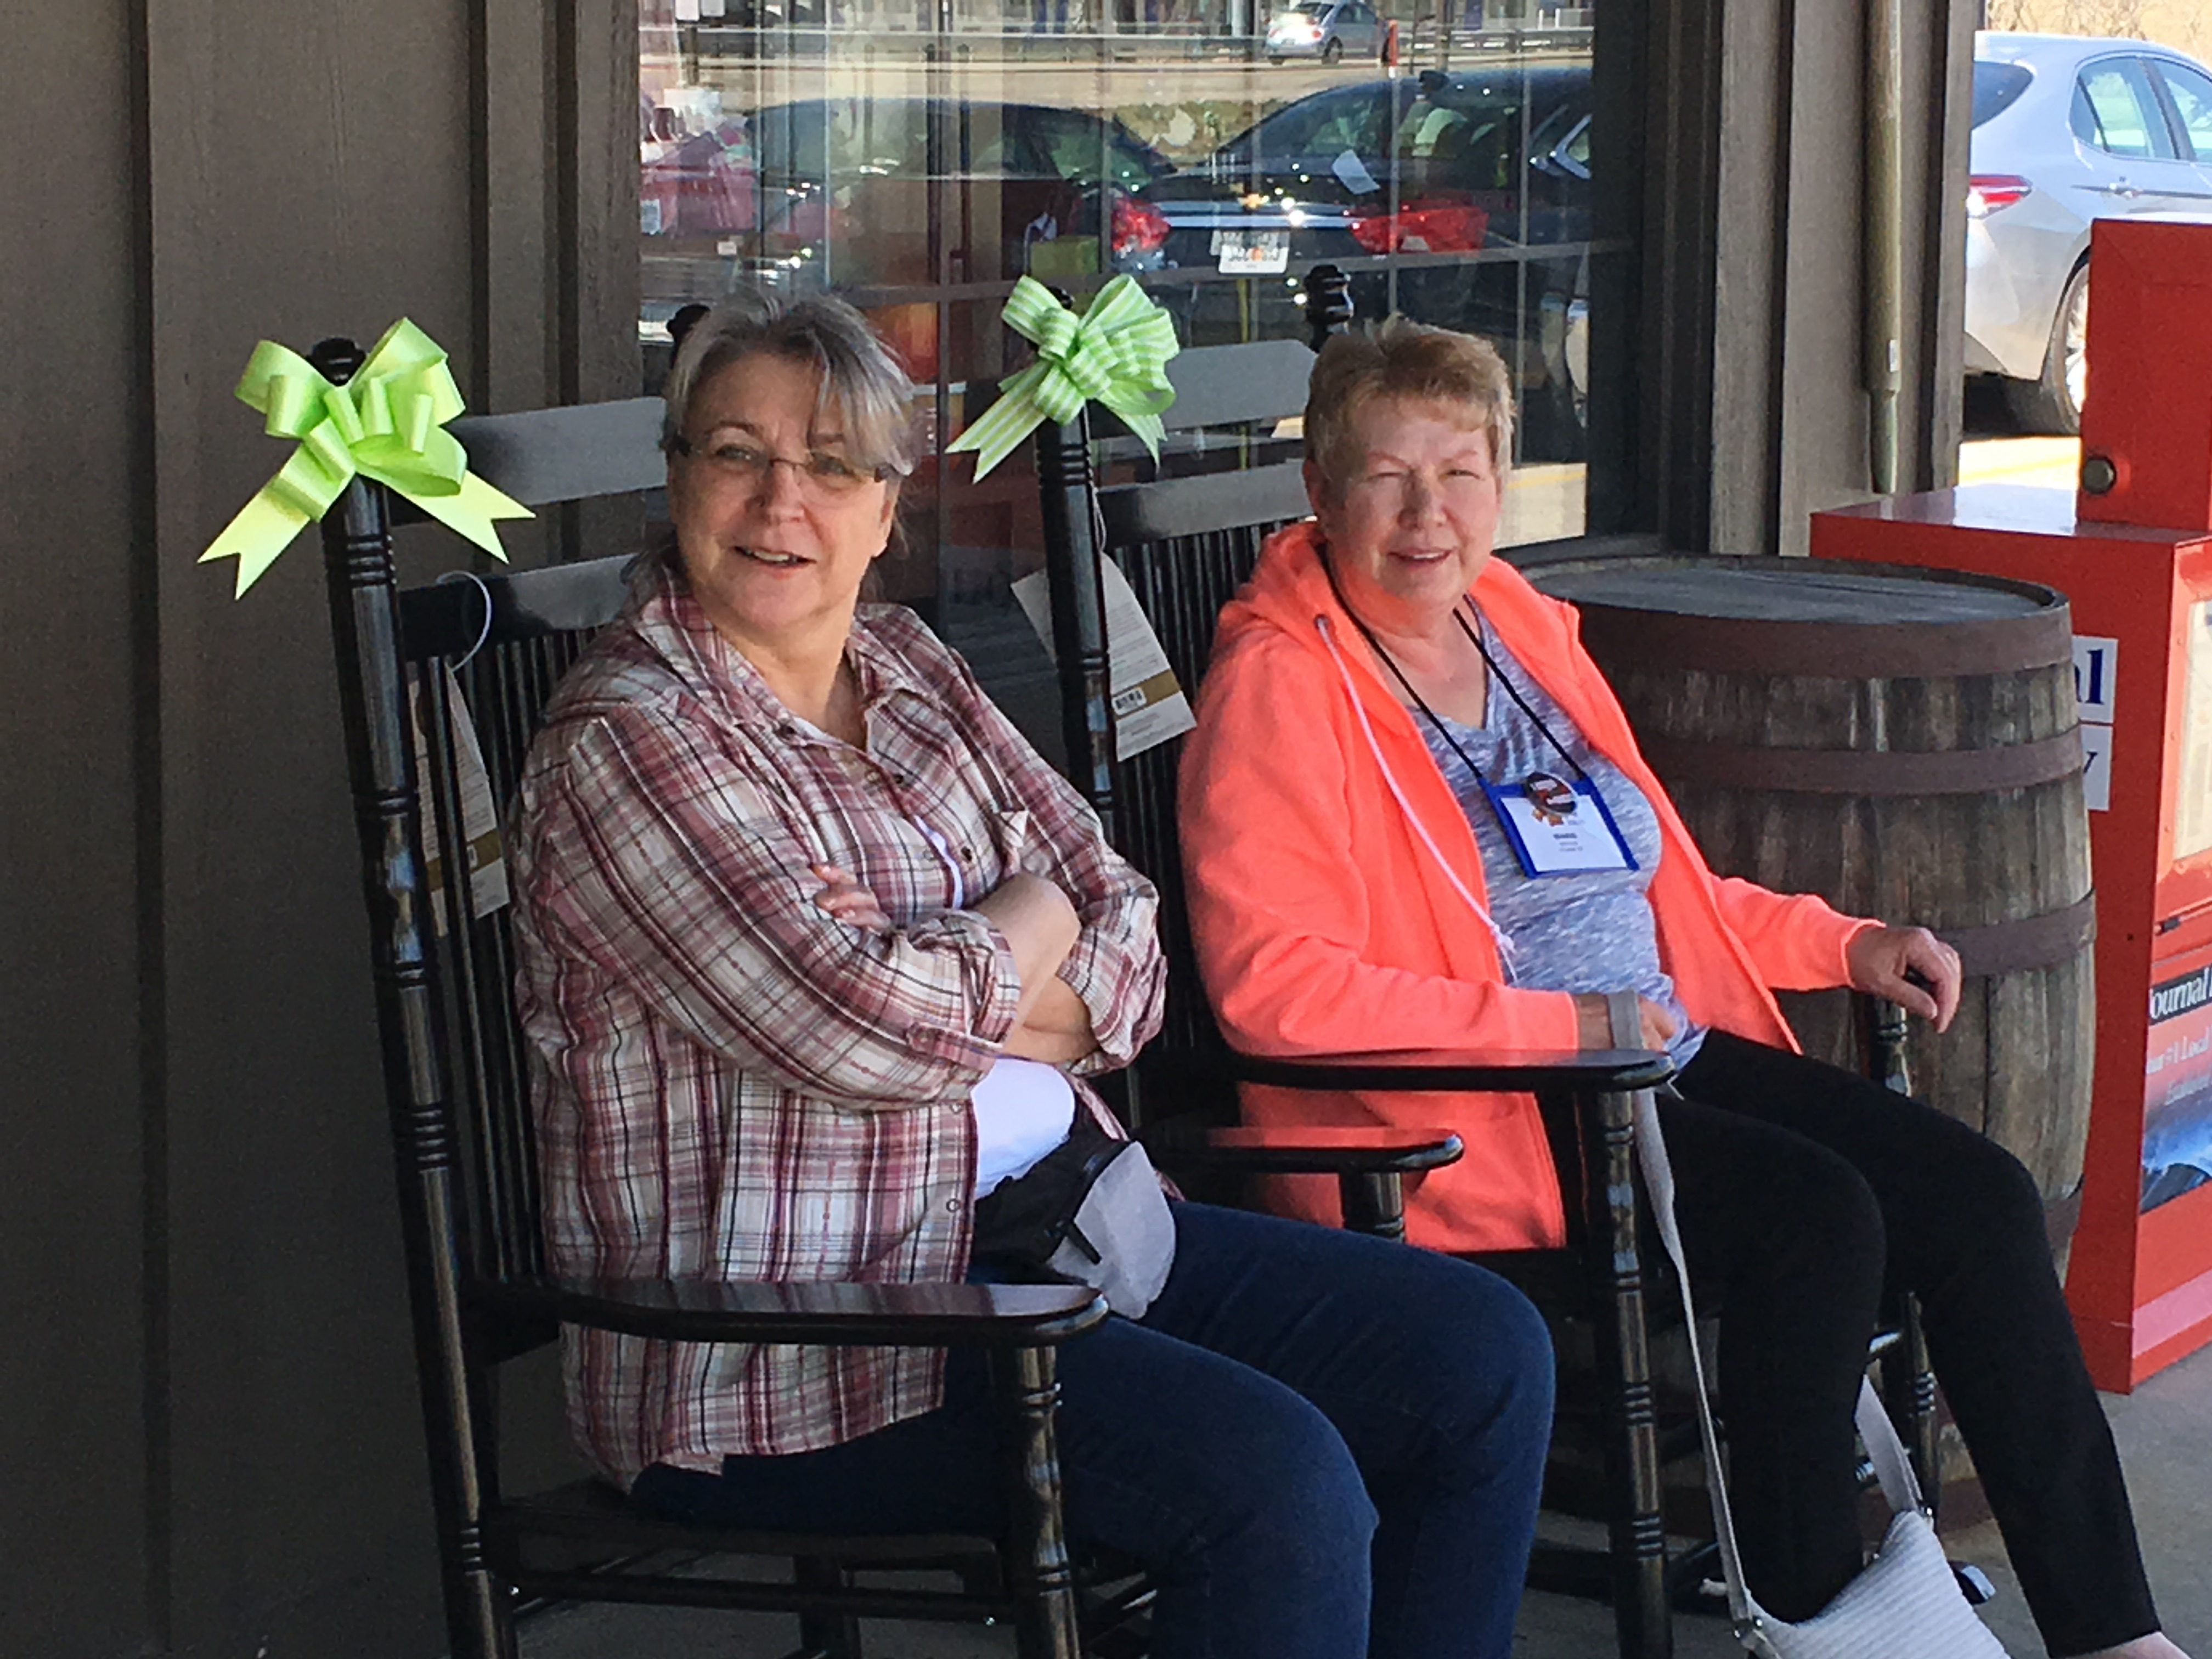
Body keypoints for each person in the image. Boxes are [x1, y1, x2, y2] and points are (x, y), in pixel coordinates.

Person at [506, 286, 1556, 1659]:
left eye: (831, 465)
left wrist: (991, 933)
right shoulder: (630, 739)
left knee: (1481, 1357)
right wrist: (1025, 922)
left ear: (887, 508)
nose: (781, 503)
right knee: (1279, 1488)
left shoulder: (907, 664)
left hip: (1059, 1235)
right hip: (804, 1338)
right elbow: (872, 1031)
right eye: (738, 455)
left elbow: (1127, 937)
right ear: (679, 478)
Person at [1176, 315, 2191, 1659]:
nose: (1429, 516)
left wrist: (1837, 942)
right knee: (1817, 1222)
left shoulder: (1510, 624)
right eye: (1388, 477)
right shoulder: (1280, 689)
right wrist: (1566, 1028)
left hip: (1653, 1051)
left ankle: (2114, 1635)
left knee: (1979, 1196)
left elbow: (1648, 878)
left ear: (1502, 481)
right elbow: (1273, 991)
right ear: (1323, 490)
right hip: (1481, 1112)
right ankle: (1815, 1616)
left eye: (1461, 474)